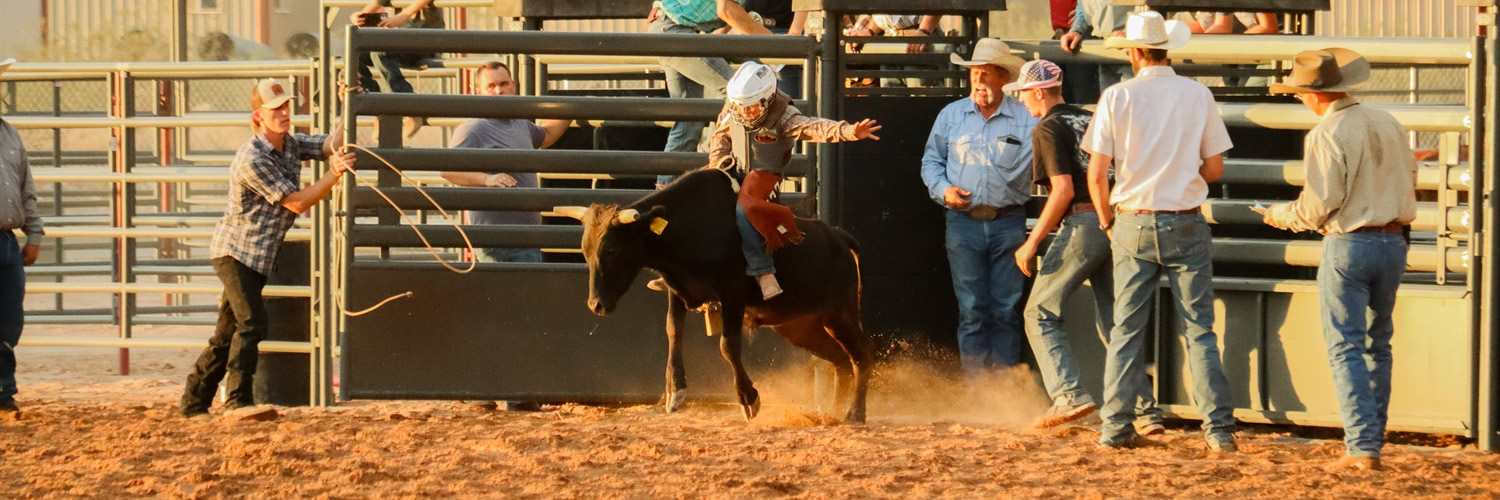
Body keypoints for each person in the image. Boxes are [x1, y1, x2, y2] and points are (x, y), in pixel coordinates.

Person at [1082, 12, 1237, 451]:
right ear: (1167, 48)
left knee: (1126, 330)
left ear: (1134, 52)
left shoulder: (1116, 97)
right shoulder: (1198, 94)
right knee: (1199, 330)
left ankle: (1115, 428)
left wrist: (1109, 223)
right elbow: (1214, 165)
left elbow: (1097, 175)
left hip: (1133, 218)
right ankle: (1218, 431)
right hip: (1185, 217)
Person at [1256, 48, 1416, 471]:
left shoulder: (1326, 134)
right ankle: (1372, 438)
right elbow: (1408, 178)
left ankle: (1362, 446)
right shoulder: (1389, 122)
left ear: (1314, 95)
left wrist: (1280, 215)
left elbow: (1319, 206)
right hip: (1393, 240)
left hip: (1350, 243)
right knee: (1377, 344)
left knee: (1344, 344)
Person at [180, 79, 355, 419]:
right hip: (236, 252)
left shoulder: (289, 144)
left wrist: (347, 106)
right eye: (277, 110)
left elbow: (330, 144)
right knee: (252, 321)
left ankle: (194, 401)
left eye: (286, 107)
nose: (285, 114)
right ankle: (237, 400)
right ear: (259, 116)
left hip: (254, 255)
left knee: (227, 331)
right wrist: (333, 175)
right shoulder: (251, 158)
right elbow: (297, 203)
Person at [1008, 59, 1164, 433]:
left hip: (1082, 222)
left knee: (1039, 313)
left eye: (1024, 94)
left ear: (1040, 92)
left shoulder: (1046, 128)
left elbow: (1062, 190)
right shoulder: (1088, 117)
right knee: (1115, 322)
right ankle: (1145, 412)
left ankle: (1068, 394)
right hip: (1117, 222)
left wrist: (1031, 243)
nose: (1023, 102)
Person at [706, 62, 880, 299]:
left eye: (752, 108)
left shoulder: (784, 115)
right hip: (732, 167)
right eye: (741, 107)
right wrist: (717, 165)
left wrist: (848, 131)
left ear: (767, 100)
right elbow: (720, 137)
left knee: (743, 209)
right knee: (697, 194)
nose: (745, 113)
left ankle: (763, 270)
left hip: (765, 175)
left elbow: (812, 127)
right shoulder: (734, 106)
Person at [919, 39, 1038, 378]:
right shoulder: (951, 115)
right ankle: (978, 391)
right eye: (974, 74)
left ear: (1003, 78)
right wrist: (945, 190)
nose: (978, 81)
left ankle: (1002, 388)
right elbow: (931, 162)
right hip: (962, 221)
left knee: (1005, 308)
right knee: (973, 309)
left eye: (986, 74)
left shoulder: (1026, 117)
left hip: (1008, 220)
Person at [440, 61, 571, 264]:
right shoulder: (473, 128)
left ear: (514, 86)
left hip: (527, 238)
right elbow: (448, 170)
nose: (499, 91)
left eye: (503, 84)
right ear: (479, 92)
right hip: (496, 241)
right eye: (491, 87)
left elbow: (545, 135)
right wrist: (486, 179)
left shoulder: (520, 123)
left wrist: (572, 109)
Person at [651, 0, 772, 188]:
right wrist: (776, 42)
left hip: (670, 26)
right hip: (676, 29)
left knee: (689, 116)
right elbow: (726, 10)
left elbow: (725, 12)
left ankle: (664, 193)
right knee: (736, 92)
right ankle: (719, 165)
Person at [0, 58, 43, 419]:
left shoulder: (10, 134)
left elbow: (25, 186)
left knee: (9, 319)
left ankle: (3, 390)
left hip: (6, 239)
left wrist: (34, 232)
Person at [350, 0, 443, 139]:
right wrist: (358, 16)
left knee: (380, 52)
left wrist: (403, 16)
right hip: (399, 39)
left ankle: (411, 109)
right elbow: (376, 4)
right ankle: (378, 110)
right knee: (355, 54)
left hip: (427, 38)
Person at [1059, 0, 1133, 103]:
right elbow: (1083, 7)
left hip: (1132, 53)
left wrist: (1131, 31)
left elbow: (1154, 7)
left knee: (1132, 107)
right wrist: (1077, 30)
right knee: (1111, 108)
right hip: (1104, 53)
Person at [843, 14, 945, 88]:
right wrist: (870, 30)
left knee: (923, 103)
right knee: (891, 106)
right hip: (889, 39)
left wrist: (924, 29)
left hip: (918, 37)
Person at [740, 0, 809, 98]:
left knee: (787, 99)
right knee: (751, 97)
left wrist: (795, 31)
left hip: (783, 29)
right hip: (750, 29)